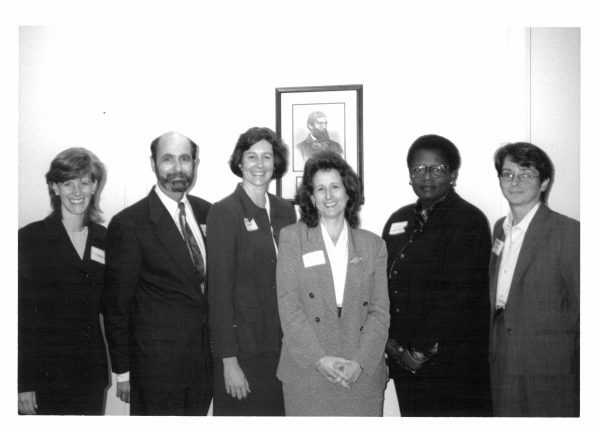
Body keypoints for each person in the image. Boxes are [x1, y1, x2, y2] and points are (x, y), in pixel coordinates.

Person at [102, 131, 212, 415]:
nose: (177, 168)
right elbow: (117, 306)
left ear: (195, 163)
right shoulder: (129, 224)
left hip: (203, 367)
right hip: (155, 372)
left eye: (185, 159)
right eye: (168, 159)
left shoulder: (207, 212)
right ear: (153, 164)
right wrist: (122, 371)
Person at [382, 134, 492, 416]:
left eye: (437, 169)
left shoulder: (469, 220)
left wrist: (419, 352)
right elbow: (383, 285)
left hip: (452, 364)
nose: (426, 176)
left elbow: (460, 298)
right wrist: (392, 345)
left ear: (453, 174)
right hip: (404, 360)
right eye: (418, 169)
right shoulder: (398, 220)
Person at [276, 151, 390, 416]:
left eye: (335, 187)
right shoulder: (292, 238)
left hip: (360, 372)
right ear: (311, 197)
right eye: (320, 188)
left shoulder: (374, 245)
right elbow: (289, 306)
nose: (329, 196)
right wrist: (319, 360)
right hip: (308, 369)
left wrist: (359, 364)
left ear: (348, 192)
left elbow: (379, 312)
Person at [207, 127, 296, 416]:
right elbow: (218, 292)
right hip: (244, 350)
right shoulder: (225, 212)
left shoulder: (286, 210)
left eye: (266, 157)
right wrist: (228, 360)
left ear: (275, 163)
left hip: (283, 347)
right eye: (251, 156)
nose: (259, 165)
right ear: (240, 162)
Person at [489, 142, 579, 417]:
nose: (515, 181)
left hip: (550, 364)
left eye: (526, 174)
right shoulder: (499, 230)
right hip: (503, 356)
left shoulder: (568, 232)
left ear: (544, 183)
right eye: (507, 173)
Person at [18, 147, 109, 414]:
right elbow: (21, 317)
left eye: (84, 182)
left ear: (94, 186)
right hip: (46, 377)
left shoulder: (105, 238)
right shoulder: (30, 239)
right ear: (54, 188)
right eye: (68, 183)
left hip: (90, 374)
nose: (77, 191)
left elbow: (113, 304)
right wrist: (23, 382)